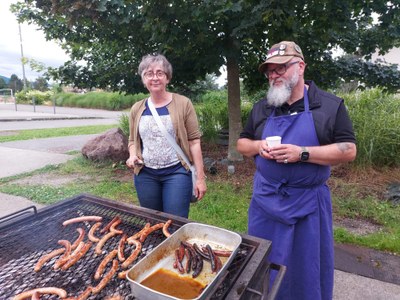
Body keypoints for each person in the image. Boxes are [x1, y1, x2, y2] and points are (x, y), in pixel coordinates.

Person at [237, 41, 357, 299]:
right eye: (270, 71)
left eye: (281, 69)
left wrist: (302, 153)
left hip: (307, 204)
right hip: (265, 201)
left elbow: (348, 150)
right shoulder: (263, 107)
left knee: (305, 267)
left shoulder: (328, 106)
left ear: (300, 66)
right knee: (262, 263)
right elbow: (241, 144)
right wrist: (258, 146)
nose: (274, 75)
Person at [126, 54, 207, 218]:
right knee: (152, 222)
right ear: (143, 79)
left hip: (176, 172)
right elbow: (133, 140)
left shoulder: (183, 103)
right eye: (149, 73)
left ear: (167, 78)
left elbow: (194, 142)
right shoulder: (137, 108)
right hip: (145, 174)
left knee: (175, 222)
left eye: (160, 73)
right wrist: (132, 155)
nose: (155, 78)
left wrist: (200, 178)